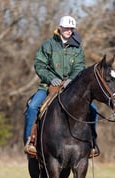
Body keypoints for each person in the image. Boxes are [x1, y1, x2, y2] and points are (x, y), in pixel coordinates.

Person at [23, 15, 99, 158]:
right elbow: (39, 64)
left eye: (71, 28)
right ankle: (30, 141)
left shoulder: (77, 48)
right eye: (66, 28)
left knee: (93, 109)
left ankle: (92, 144)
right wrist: (51, 78)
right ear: (60, 28)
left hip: (71, 87)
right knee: (33, 106)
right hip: (48, 86)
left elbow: (80, 66)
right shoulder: (48, 44)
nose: (69, 31)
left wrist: (72, 79)